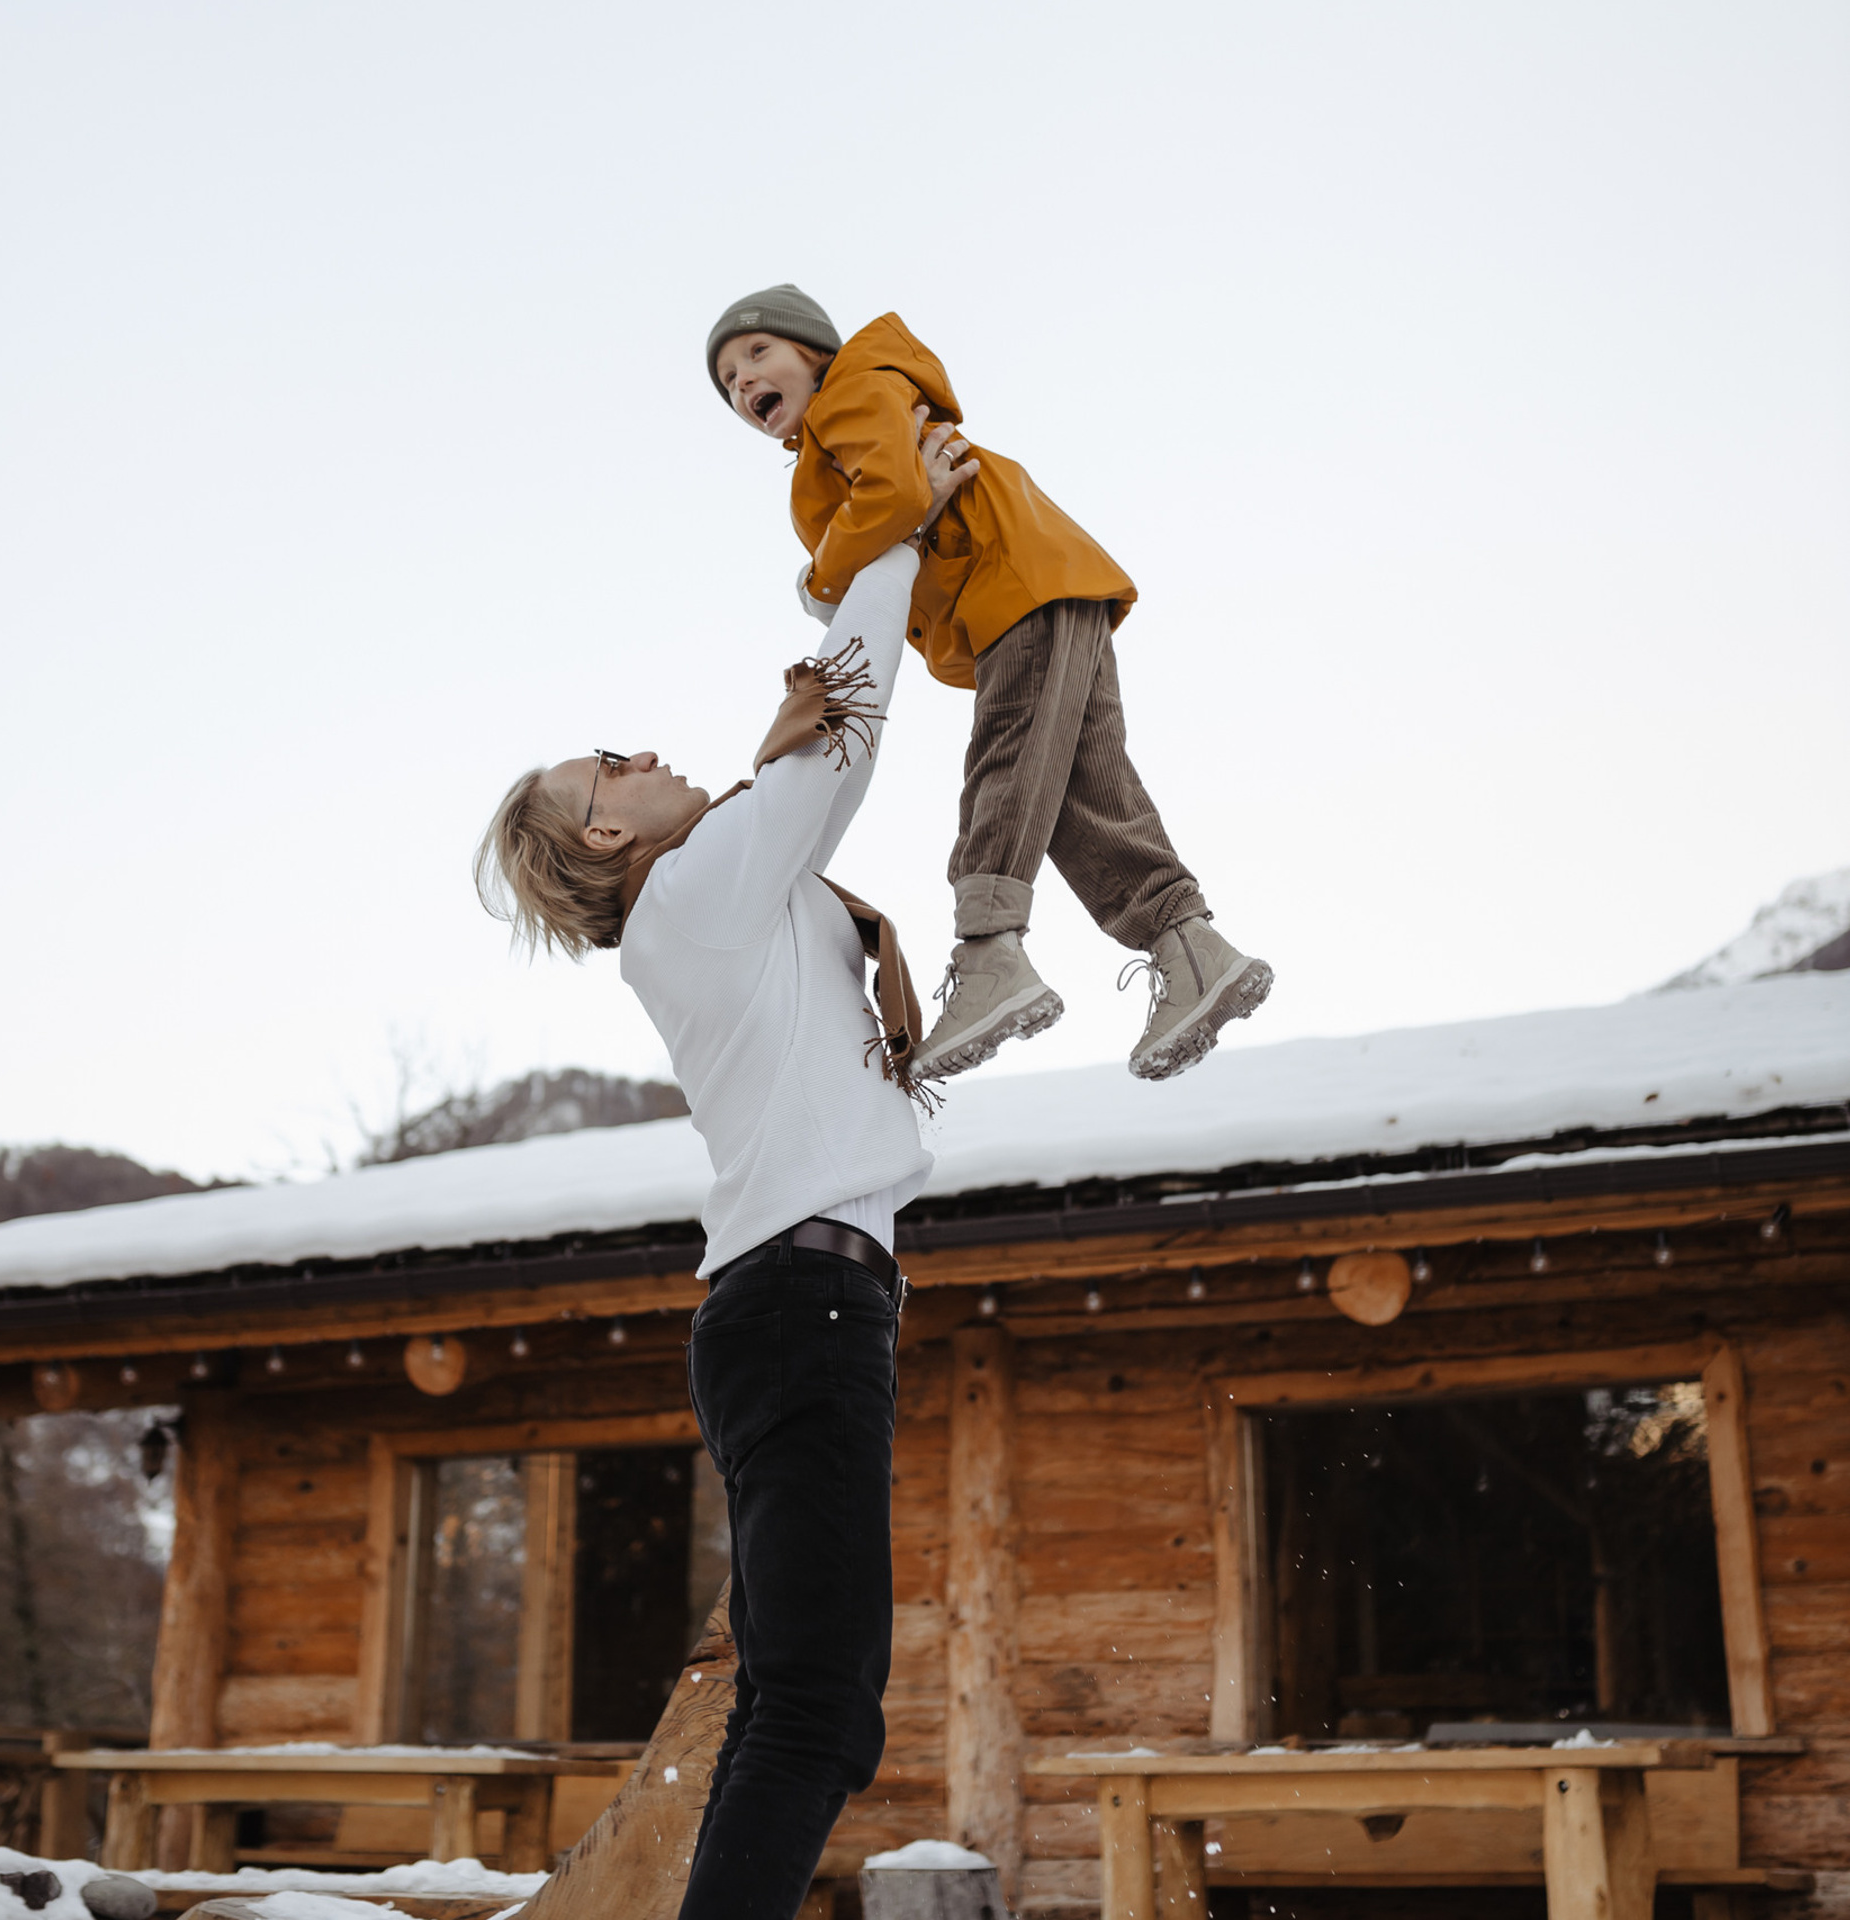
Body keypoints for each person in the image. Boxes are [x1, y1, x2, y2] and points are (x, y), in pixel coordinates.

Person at [474, 420, 972, 1920]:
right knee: (818, 1708)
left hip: (795, 1313)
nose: (636, 750)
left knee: (801, 1704)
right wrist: (895, 531)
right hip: (802, 1313)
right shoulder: (695, 893)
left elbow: (813, 782)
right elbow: (844, 734)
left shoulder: (732, 905)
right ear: (608, 832)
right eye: (605, 765)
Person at [706, 283, 1275, 1083]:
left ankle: (988, 956)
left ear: (814, 353)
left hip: (1016, 586)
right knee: (1082, 791)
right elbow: (897, 511)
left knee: (1006, 760)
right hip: (1040, 581)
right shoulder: (833, 439)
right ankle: (1190, 947)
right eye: (728, 381)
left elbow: (897, 498)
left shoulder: (854, 391)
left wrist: (820, 577)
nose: (742, 382)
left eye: (757, 354)